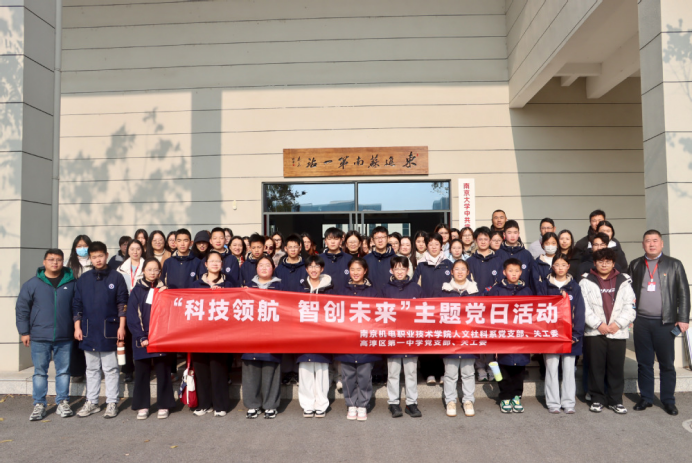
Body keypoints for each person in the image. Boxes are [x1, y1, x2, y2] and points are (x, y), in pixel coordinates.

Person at [628, 230, 690, 416]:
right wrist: (629, 317)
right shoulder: (636, 264)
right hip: (641, 322)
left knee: (667, 364)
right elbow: (627, 293)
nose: (652, 244)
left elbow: (684, 293)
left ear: (662, 243)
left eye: (655, 240)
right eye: (648, 241)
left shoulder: (674, 264)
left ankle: (668, 400)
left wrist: (683, 318)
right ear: (643, 244)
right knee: (644, 362)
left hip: (665, 322)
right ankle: (646, 397)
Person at [16, 249, 77, 421]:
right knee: (40, 372)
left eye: (58, 259)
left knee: (63, 371)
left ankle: (62, 402)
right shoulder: (32, 284)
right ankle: (39, 404)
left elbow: (77, 307)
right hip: (39, 335)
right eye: (51, 259)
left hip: (65, 335)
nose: (55, 262)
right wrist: (24, 332)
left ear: (63, 262)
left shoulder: (72, 283)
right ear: (44, 262)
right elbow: (22, 309)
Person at [72, 241, 129, 419]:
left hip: (109, 329)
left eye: (100, 256)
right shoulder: (84, 279)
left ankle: (112, 402)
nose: (98, 259)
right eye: (94, 256)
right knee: (91, 369)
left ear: (106, 255)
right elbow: (77, 304)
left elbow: (122, 304)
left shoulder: (116, 277)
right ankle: (92, 402)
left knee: (111, 368)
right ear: (90, 258)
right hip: (88, 329)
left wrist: (121, 327)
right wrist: (77, 326)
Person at [579, 248, 636, 414]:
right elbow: (583, 307)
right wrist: (598, 324)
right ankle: (597, 399)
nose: (604, 265)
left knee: (616, 368)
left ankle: (615, 400)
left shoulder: (624, 280)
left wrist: (618, 324)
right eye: (601, 261)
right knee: (596, 367)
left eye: (608, 261)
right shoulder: (586, 281)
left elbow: (630, 306)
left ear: (613, 263)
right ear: (595, 263)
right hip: (595, 332)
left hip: (617, 331)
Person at [127, 258, 175, 420]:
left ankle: (164, 404)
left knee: (163, 371)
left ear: (160, 272)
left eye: (156, 270)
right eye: (149, 269)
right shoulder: (137, 290)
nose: (153, 273)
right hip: (142, 338)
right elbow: (133, 316)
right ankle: (142, 405)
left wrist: (167, 293)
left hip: (161, 338)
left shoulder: (166, 290)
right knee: (142, 372)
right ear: (143, 271)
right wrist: (141, 336)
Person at [433, 259, 480, 418]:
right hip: (450, 338)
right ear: (451, 272)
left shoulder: (475, 291)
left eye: (463, 269)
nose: (460, 272)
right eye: (457, 269)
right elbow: (437, 315)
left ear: (468, 272)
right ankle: (451, 401)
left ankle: (468, 401)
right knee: (450, 373)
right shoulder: (444, 291)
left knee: (468, 372)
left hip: (469, 337)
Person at [336, 258, 380, 421]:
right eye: (352, 269)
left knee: (364, 375)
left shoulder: (373, 292)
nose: (355, 273)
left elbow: (377, 317)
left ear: (365, 271)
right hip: (346, 340)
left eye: (359, 269)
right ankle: (351, 404)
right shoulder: (341, 291)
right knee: (347, 375)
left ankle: (363, 404)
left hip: (365, 339)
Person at [190, 251, 233, 417]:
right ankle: (204, 404)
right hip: (199, 334)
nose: (215, 263)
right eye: (212, 261)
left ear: (222, 264)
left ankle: (220, 405)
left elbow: (235, 306)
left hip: (220, 334)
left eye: (218, 261)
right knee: (201, 370)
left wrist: (221, 294)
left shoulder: (229, 284)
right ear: (206, 264)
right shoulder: (196, 285)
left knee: (218, 369)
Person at [541, 254, 585, 414]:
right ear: (552, 267)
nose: (560, 268)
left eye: (563, 265)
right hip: (551, 335)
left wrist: (576, 335)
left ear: (568, 267)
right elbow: (539, 310)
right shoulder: (545, 286)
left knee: (569, 369)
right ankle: (553, 403)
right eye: (557, 265)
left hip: (570, 336)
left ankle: (568, 402)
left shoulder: (575, 287)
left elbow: (580, 312)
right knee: (551, 369)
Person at [380, 256, 423, 419]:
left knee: (411, 372)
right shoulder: (385, 289)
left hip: (411, 336)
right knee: (393, 372)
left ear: (408, 270)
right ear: (391, 270)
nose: (399, 271)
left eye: (402, 268)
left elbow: (423, 312)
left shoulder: (416, 289)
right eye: (396, 268)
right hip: (393, 336)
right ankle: (393, 403)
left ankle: (412, 403)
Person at [488, 258, 533, 413]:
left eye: (516, 271)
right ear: (504, 272)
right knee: (503, 368)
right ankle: (505, 397)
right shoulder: (497, 290)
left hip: (521, 336)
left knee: (519, 370)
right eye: (510, 271)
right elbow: (489, 312)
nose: (513, 274)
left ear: (521, 272)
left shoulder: (527, 290)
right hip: (502, 336)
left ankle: (517, 396)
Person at [243, 256, 283, 419]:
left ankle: (270, 405)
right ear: (256, 268)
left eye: (268, 265)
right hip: (250, 334)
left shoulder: (281, 287)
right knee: (251, 370)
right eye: (261, 265)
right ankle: (252, 405)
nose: (264, 268)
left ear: (273, 268)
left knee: (270, 369)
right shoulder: (247, 287)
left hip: (272, 334)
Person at [297, 255, 334, 418]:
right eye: (310, 266)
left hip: (322, 334)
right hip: (304, 334)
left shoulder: (330, 288)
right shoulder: (300, 287)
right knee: (305, 370)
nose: (314, 269)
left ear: (322, 269)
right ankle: (307, 404)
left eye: (317, 266)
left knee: (321, 370)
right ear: (306, 269)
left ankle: (321, 404)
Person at [412, 233, 451, 385]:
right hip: (426, 310)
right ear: (426, 246)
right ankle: (429, 373)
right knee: (427, 340)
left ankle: (443, 372)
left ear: (441, 245)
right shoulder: (421, 265)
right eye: (430, 244)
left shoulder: (448, 264)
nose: (433, 247)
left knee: (443, 340)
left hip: (444, 310)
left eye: (436, 244)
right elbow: (415, 286)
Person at [466, 226, 503, 381]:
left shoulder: (498, 260)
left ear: (490, 240)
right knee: (478, 335)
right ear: (475, 240)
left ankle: (492, 366)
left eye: (485, 239)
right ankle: (480, 367)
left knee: (492, 336)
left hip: (493, 305)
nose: (482, 242)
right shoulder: (470, 261)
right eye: (479, 239)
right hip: (475, 305)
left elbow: (501, 281)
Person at [115, 238, 144, 383]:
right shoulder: (120, 269)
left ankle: (141, 369)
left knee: (139, 338)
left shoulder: (146, 266)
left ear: (142, 250)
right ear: (128, 251)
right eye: (132, 249)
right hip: (126, 306)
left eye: (138, 249)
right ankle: (127, 370)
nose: (135, 252)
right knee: (126, 339)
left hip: (142, 307)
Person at [66, 234, 92, 383]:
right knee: (76, 338)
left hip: (91, 304)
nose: (82, 249)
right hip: (75, 304)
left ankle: (92, 370)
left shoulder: (94, 262)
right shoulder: (69, 265)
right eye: (79, 246)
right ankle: (77, 371)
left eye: (85, 246)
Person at [496, 220, 536, 286]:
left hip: (523, 290)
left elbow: (532, 277)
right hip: (502, 291)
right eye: (509, 233)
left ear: (518, 234)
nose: (512, 236)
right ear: (504, 234)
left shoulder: (526, 254)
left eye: (515, 232)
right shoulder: (498, 254)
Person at [320, 227, 352, 293]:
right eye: (329, 239)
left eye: (336, 239)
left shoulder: (349, 259)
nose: (332, 242)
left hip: (345, 297)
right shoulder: (319, 259)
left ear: (341, 241)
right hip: (324, 297)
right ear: (325, 241)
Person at [364, 226, 396, 290]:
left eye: (383, 237)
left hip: (390, 295)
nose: (380, 240)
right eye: (377, 238)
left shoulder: (396, 259)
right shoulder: (366, 260)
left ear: (388, 238)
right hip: (371, 295)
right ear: (373, 240)